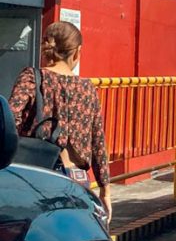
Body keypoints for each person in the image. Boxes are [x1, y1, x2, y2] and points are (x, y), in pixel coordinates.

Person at [9, 21, 111, 222]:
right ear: (77, 53)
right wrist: (105, 190)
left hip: (39, 174)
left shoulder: (32, 77)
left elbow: (10, 117)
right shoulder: (87, 88)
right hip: (77, 177)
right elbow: (98, 141)